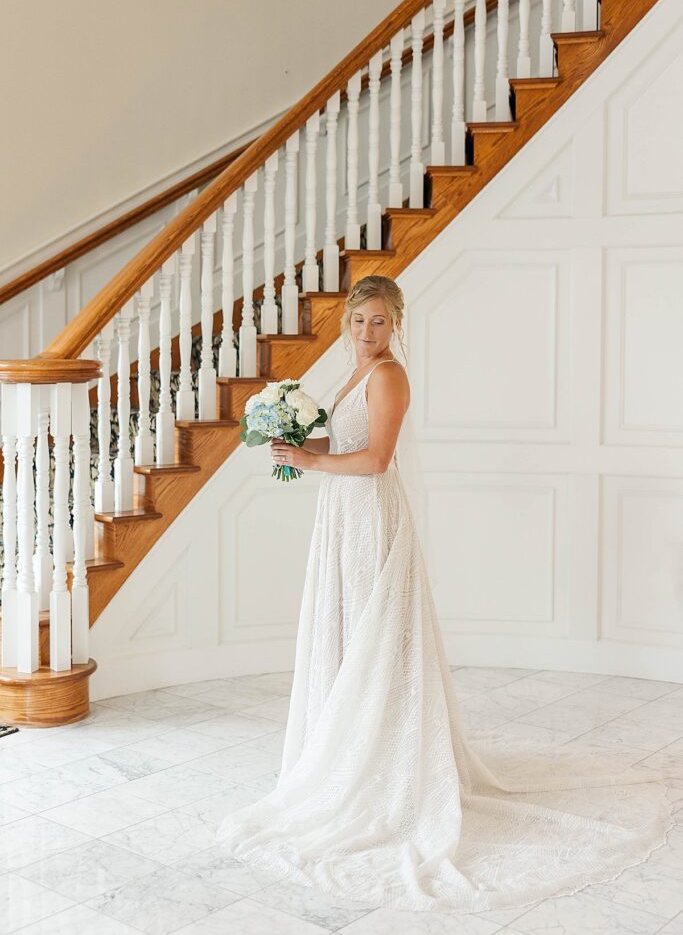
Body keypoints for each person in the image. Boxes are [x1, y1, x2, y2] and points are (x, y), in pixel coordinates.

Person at [216, 274, 674, 913]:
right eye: (358, 320)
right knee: (346, 632)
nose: (367, 331)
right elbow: (344, 443)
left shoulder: (388, 376)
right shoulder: (356, 373)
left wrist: (313, 463)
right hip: (341, 514)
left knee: (376, 638)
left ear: (396, 324)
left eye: (379, 321)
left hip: (369, 515)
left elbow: (376, 460)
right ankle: (345, 754)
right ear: (346, 323)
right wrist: (296, 444)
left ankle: (387, 767)